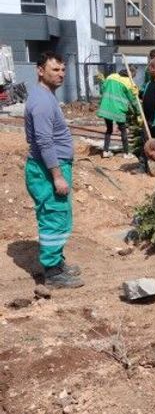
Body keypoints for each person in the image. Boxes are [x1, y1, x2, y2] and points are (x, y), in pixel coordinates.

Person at [24, 51, 83, 288]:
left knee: (58, 217)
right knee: (54, 218)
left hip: (50, 167)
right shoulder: (41, 102)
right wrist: (57, 176)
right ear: (40, 70)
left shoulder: (46, 97)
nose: (60, 74)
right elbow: (44, 141)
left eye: (62, 70)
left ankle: (57, 263)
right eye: (54, 70)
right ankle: (52, 273)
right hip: (47, 171)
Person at [96, 66, 139, 157]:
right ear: (131, 74)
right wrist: (138, 113)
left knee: (109, 130)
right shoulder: (128, 82)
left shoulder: (111, 76)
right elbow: (133, 100)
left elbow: (103, 90)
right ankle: (126, 153)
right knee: (123, 131)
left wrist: (103, 81)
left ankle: (105, 151)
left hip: (106, 108)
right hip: (118, 110)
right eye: (133, 76)